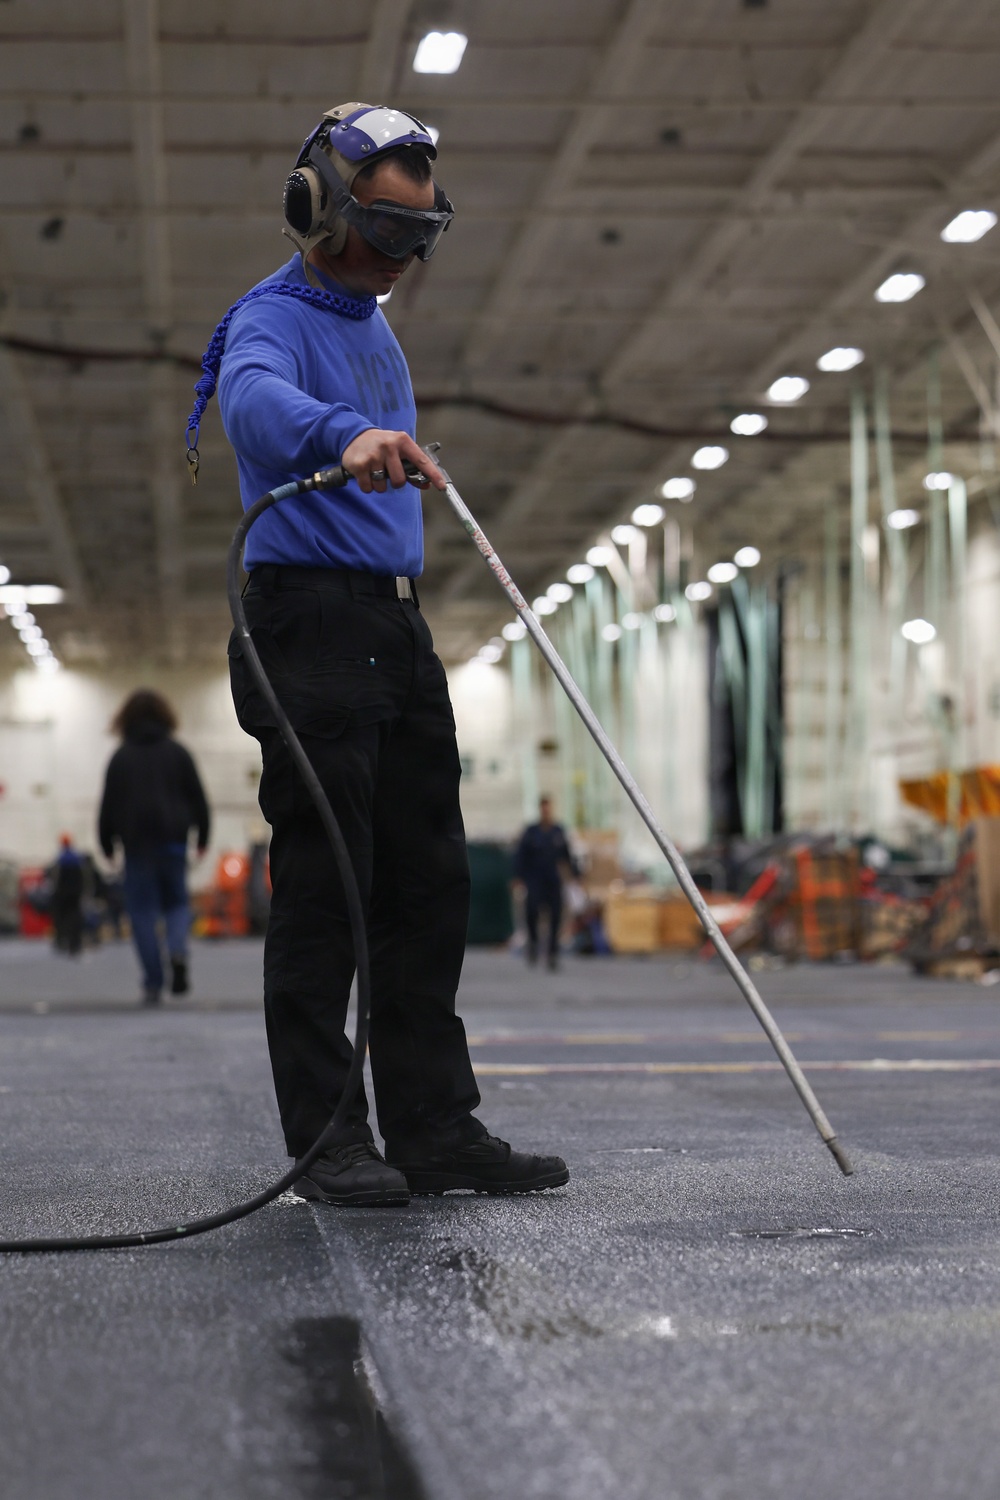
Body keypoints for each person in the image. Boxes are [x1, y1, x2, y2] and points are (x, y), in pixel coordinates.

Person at [197, 102, 568, 1206]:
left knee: (428, 883)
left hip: (392, 628)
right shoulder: (272, 315)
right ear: (317, 209)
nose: (400, 261)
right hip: (310, 625)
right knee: (330, 890)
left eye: (419, 238)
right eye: (384, 233)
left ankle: (433, 1127)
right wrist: (340, 432)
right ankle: (327, 1143)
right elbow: (253, 400)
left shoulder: (369, 314)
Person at [98, 689, 210, 1006]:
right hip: (174, 843)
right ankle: (177, 950)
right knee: (177, 905)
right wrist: (202, 838)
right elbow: (198, 798)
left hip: (136, 849)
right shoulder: (178, 753)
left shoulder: (120, 757)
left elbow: (107, 805)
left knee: (142, 913)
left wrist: (106, 844)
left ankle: (152, 982)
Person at [513, 797, 578, 970]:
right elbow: (521, 856)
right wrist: (518, 877)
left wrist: (574, 877)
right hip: (534, 879)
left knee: (556, 916)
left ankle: (552, 953)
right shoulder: (531, 832)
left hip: (553, 880)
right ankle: (533, 946)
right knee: (532, 912)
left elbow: (567, 856)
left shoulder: (558, 831)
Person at [50, 834, 85, 957]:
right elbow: (82, 879)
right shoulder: (77, 859)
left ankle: (62, 940)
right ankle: (75, 944)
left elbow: (56, 879)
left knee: (62, 918)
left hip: (62, 895)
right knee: (75, 918)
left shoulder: (60, 859)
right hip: (75, 895)